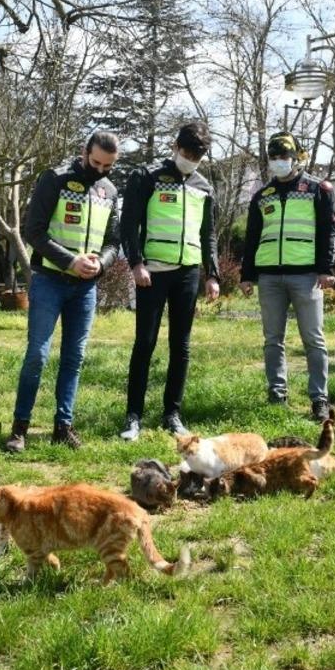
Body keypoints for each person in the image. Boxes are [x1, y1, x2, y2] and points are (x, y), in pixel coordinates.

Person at [3, 132, 122, 453]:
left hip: (85, 288)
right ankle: (19, 429)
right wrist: (70, 261)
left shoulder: (109, 190)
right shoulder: (54, 179)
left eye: (107, 166)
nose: (99, 170)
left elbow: (114, 241)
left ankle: (62, 426)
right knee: (37, 356)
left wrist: (102, 263)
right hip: (49, 281)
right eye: (95, 162)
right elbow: (33, 232)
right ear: (84, 152)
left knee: (74, 357)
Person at [119, 122, 221, 441]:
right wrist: (136, 263)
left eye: (198, 155)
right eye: (188, 152)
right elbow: (128, 225)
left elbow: (209, 234)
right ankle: (133, 416)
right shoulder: (147, 176)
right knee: (145, 343)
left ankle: (172, 414)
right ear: (175, 146)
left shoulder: (204, 186)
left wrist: (213, 274)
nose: (192, 159)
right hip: (152, 272)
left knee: (182, 345)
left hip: (188, 274)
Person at [239, 132, 335, 420]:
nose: (279, 162)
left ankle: (319, 399)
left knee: (314, 339)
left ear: (297, 158)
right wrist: (247, 275)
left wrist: (327, 268)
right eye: (274, 157)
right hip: (269, 277)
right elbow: (252, 237)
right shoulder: (262, 196)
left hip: (307, 276)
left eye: (285, 157)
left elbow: (329, 232)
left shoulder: (318, 189)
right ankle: (276, 393)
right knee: (273, 339)